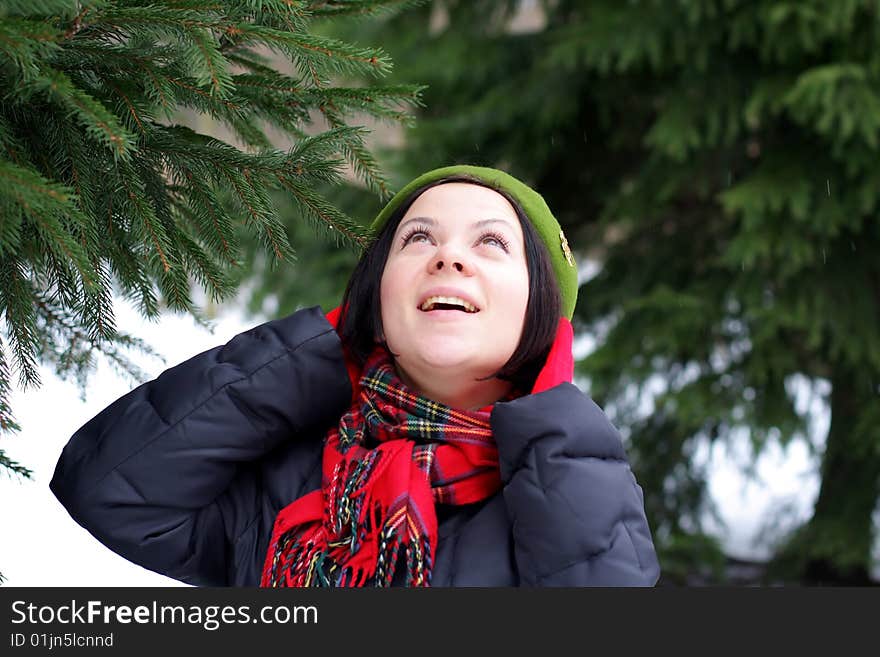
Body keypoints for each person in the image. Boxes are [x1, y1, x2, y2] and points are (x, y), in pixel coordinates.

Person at [50, 165, 661, 587]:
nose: (448, 257)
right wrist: (318, 356)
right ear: (377, 293)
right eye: (418, 239)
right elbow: (109, 489)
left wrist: (551, 418)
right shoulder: (290, 477)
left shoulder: (563, 490)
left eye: (492, 244)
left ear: (543, 311)